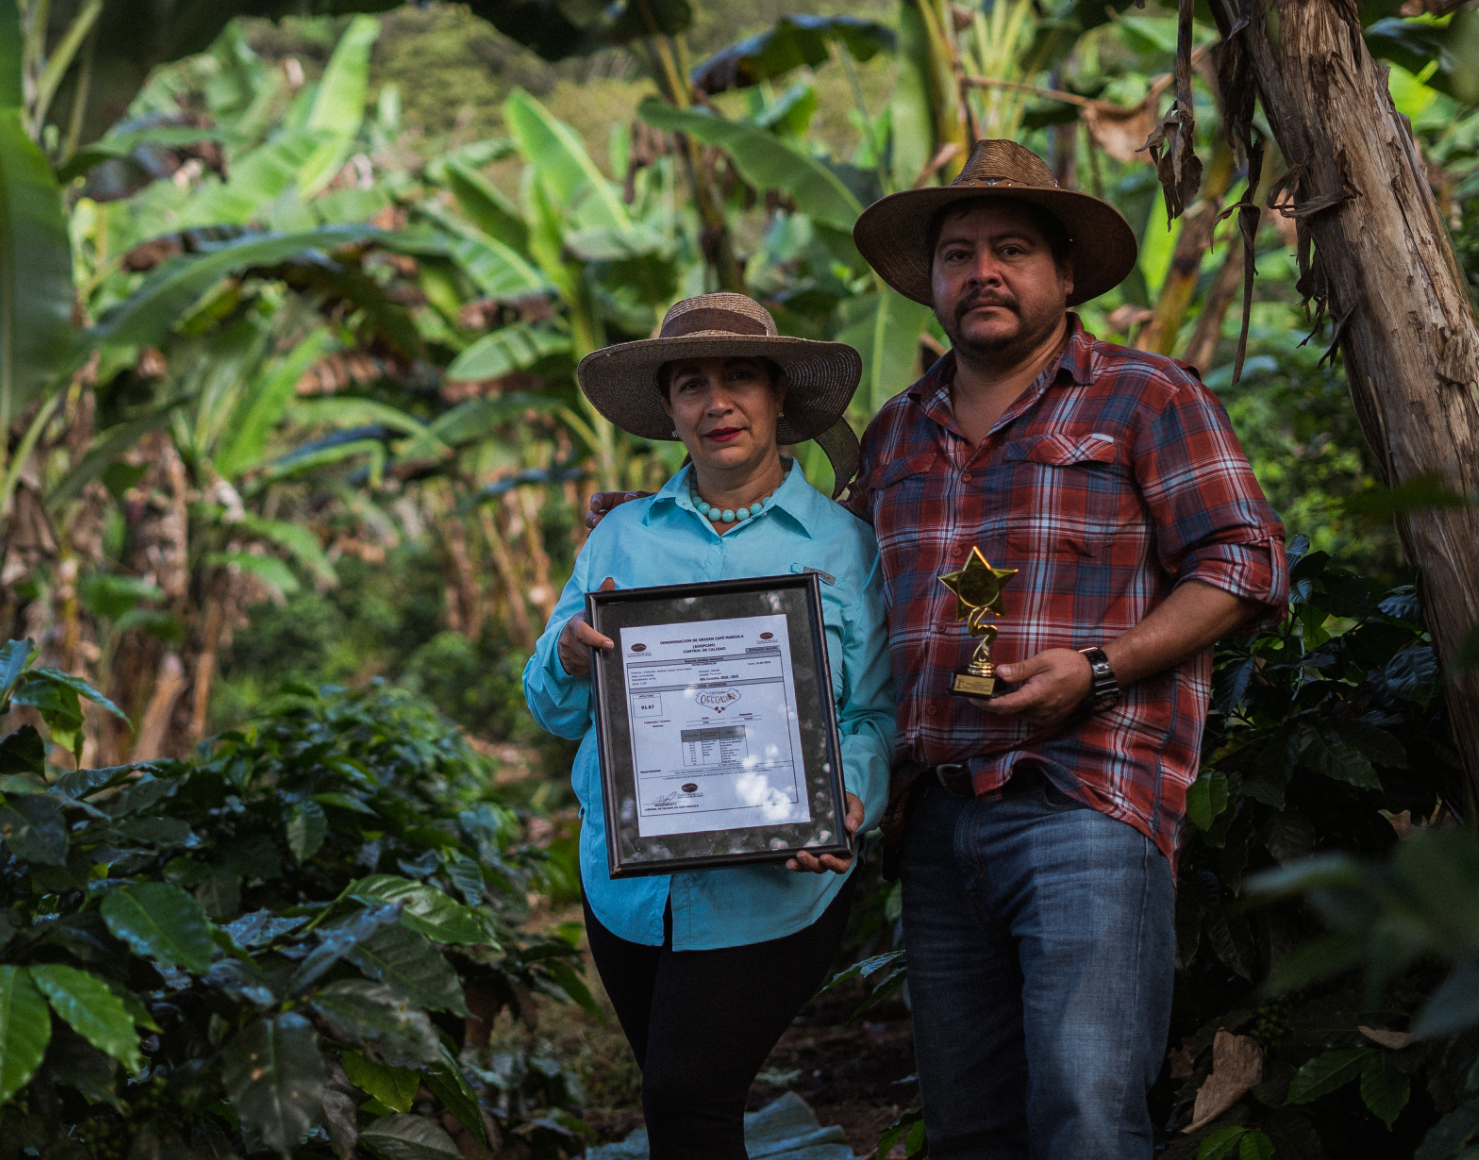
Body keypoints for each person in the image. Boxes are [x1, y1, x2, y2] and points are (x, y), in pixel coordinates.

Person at [588, 142, 1288, 1158]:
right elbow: (793, 589)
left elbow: (1247, 558)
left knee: (1086, 1110)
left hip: (1084, 797)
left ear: (1064, 273)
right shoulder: (898, 432)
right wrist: (649, 530)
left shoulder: (1141, 396)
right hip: (936, 819)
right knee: (968, 1124)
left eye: (1010, 249)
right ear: (929, 283)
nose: (981, 272)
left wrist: (1098, 667)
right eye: (956, 254)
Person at [524, 293, 896, 1160]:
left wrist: (847, 795)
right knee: (685, 1111)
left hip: (775, 886)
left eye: (738, 378)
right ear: (670, 409)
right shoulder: (619, 538)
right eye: (691, 383)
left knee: (686, 1093)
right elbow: (552, 709)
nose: (716, 402)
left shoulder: (846, 548)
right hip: (627, 888)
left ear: (777, 398)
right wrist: (571, 659)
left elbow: (878, 712)